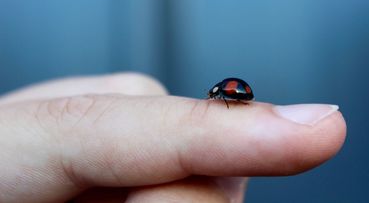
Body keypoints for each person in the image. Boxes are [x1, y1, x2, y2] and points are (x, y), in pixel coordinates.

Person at [0, 72, 346, 203]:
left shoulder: (224, 94)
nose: (216, 98)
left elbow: (234, 94)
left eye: (217, 97)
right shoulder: (225, 93)